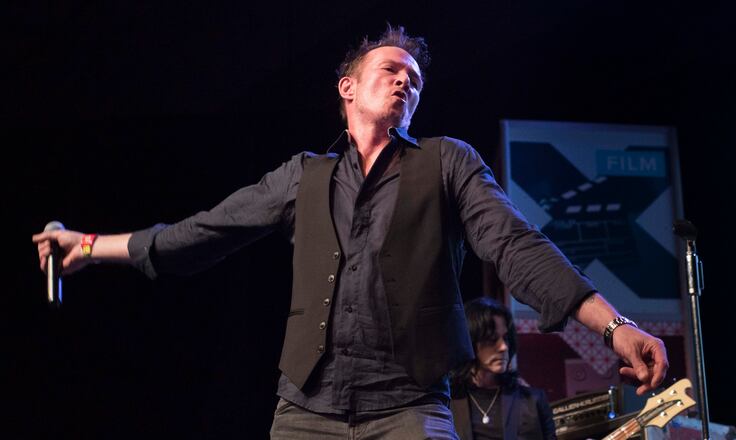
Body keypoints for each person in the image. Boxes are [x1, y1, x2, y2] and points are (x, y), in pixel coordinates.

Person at [33, 25, 668, 439]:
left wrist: (614, 327)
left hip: (409, 408)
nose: (405, 81)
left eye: (414, 81)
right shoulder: (303, 178)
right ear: (348, 87)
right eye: (391, 70)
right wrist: (88, 247)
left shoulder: (447, 162)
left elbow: (514, 244)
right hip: (306, 410)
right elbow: (200, 233)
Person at [450, 297, 556, 440]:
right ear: (470, 341)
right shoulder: (447, 402)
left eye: (505, 338)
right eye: (492, 339)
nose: (503, 347)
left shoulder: (533, 401)